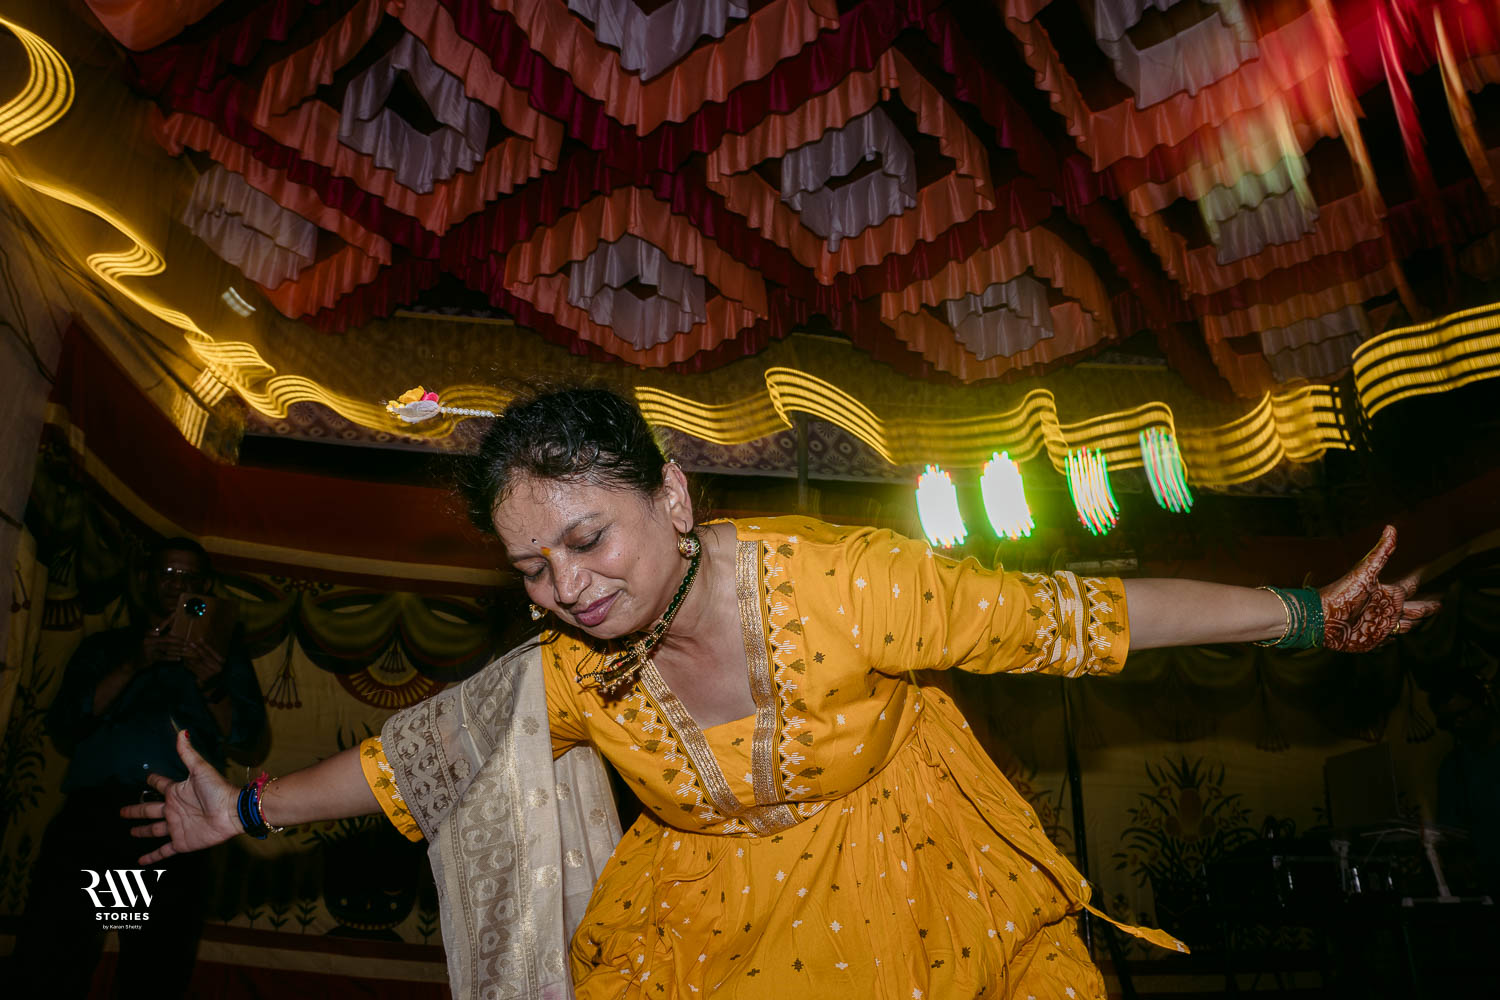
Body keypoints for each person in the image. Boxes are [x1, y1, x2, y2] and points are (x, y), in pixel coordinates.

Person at [122, 389, 1437, 1000]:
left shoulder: (854, 586)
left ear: (672, 494)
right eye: (533, 568)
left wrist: (1304, 613)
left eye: (587, 539)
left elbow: (1083, 620)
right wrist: (242, 809)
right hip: (710, 940)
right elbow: (416, 761)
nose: (567, 588)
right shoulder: (571, 669)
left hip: (914, 897)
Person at [16, 537, 267, 998]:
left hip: (176, 827)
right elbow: (65, 723)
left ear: (205, 587)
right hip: (94, 821)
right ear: (146, 579)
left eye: (190, 577)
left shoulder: (223, 659)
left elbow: (250, 739)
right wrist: (134, 662)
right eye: (169, 573)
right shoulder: (105, 647)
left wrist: (213, 686)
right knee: (52, 960)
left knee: (154, 971)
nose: (178, 585)